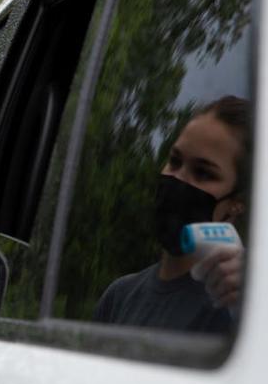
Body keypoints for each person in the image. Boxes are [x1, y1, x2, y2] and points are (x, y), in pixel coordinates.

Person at [94, 96, 250, 333]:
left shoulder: (243, 308)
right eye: (174, 161)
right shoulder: (118, 297)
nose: (177, 179)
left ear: (236, 204)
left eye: (202, 173)